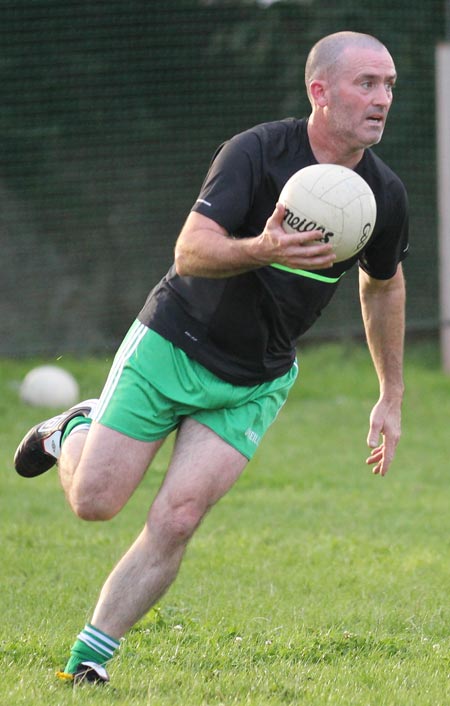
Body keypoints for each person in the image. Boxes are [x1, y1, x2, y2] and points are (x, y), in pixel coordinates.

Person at [14, 30, 408, 685]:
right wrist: (264, 248)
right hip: (174, 342)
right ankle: (72, 429)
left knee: (178, 517)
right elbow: (190, 252)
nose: (382, 98)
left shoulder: (383, 194)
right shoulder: (256, 153)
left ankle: (90, 660)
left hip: (256, 378)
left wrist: (390, 395)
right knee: (96, 503)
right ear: (320, 91)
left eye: (390, 85)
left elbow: (384, 283)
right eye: (367, 83)